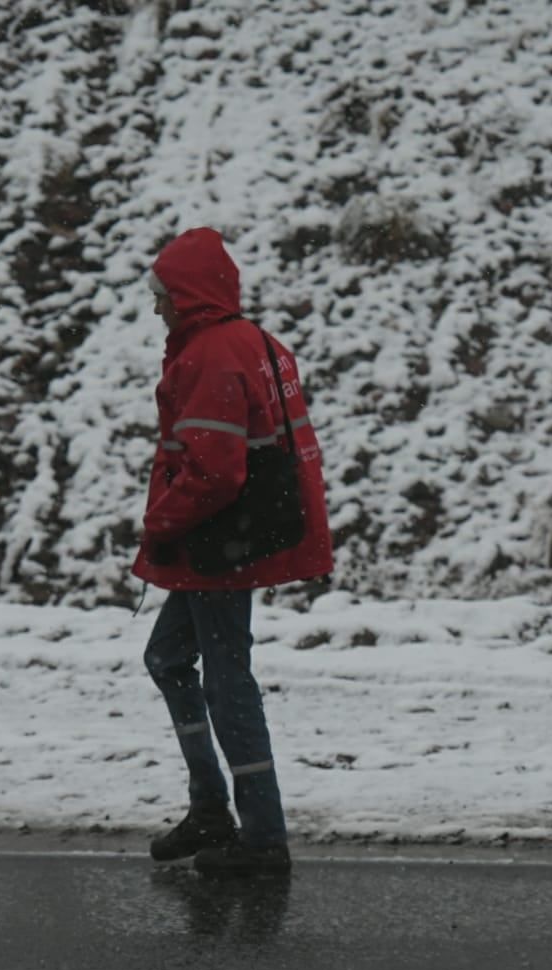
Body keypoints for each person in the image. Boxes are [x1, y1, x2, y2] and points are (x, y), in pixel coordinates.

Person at [133, 227, 334, 876]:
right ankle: (211, 808)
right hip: (238, 533)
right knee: (168, 659)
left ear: (190, 295)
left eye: (163, 294)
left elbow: (214, 473)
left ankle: (263, 836)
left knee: (226, 681)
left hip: (218, 542)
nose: (156, 307)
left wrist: (161, 523)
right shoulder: (256, 342)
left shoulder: (210, 357)